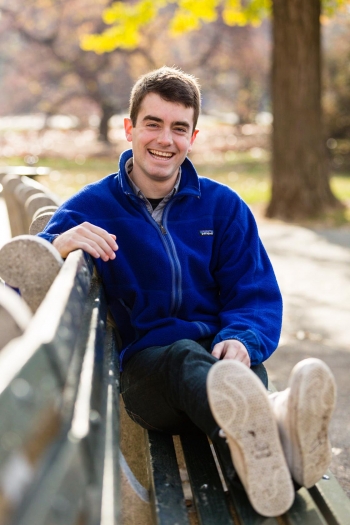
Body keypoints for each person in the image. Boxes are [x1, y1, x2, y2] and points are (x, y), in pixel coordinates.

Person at [38, 66, 336, 517]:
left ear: (193, 136)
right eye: (153, 123)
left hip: (223, 363)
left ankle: (271, 460)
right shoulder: (93, 207)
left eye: (179, 128)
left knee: (234, 370)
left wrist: (241, 340)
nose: (165, 139)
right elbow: (19, 268)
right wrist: (57, 244)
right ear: (129, 128)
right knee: (182, 356)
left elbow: (253, 295)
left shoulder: (224, 207)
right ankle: (279, 422)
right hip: (151, 376)